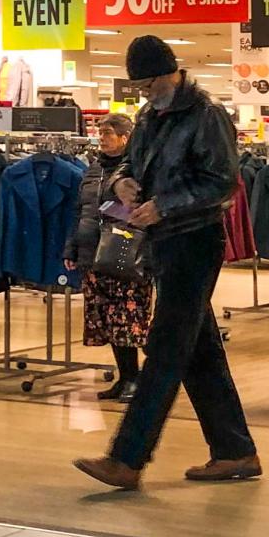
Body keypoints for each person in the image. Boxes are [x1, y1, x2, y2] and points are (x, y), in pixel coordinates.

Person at [75, 36, 259, 490]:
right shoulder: (149, 118)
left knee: (165, 348)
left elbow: (222, 182)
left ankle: (127, 458)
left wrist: (165, 205)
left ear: (168, 72)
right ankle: (235, 450)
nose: (142, 92)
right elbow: (129, 165)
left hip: (195, 240)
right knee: (199, 351)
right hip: (163, 243)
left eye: (147, 82)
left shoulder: (206, 115)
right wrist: (122, 184)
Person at [66, 112, 152, 402]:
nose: (101, 138)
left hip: (125, 251)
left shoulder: (136, 171)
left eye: (108, 133)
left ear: (125, 138)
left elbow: (141, 210)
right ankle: (126, 377)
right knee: (105, 318)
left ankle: (135, 380)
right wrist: (73, 247)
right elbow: (81, 210)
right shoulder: (92, 170)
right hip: (94, 252)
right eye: (100, 133)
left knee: (126, 317)